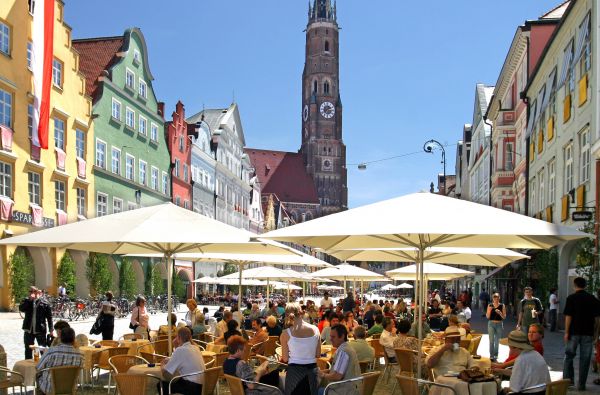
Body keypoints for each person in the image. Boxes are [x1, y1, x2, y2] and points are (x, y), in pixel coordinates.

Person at [563, 277, 600, 391]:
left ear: (575, 285)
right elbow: (597, 317)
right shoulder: (592, 299)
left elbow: (568, 316)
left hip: (573, 332)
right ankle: (581, 385)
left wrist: (566, 331)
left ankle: (568, 382)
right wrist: (596, 333)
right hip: (588, 333)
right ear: (585, 286)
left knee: (569, 357)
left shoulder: (571, 298)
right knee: (585, 359)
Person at [280, 302, 321, 395]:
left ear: (287, 315)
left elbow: (285, 358)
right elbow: (318, 354)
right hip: (312, 373)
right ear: (301, 312)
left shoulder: (285, 334)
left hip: (294, 374)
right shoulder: (315, 329)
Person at [36, 328, 83, 395]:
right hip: (70, 388)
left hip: (49, 389)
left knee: (37, 377)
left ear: (60, 338)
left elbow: (38, 367)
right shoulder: (80, 355)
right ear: (74, 339)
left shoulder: (51, 351)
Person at [501, 330, 550, 395]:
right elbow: (523, 374)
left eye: (509, 346)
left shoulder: (521, 359)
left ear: (513, 347)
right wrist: (500, 371)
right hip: (543, 392)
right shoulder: (535, 354)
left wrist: (505, 389)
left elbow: (515, 388)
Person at [160, 327, 205, 395]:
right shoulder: (196, 347)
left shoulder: (180, 350)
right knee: (178, 380)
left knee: (161, 385)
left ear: (179, 337)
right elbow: (183, 358)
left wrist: (162, 365)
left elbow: (165, 373)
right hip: (202, 386)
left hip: (192, 388)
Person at [317, 324, 361, 395]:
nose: (330, 339)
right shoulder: (347, 348)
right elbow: (337, 371)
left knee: (315, 391)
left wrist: (323, 375)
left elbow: (337, 376)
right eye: (330, 336)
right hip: (350, 388)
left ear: (342, 336)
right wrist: (322, 372)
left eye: (333, 337)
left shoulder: (344, 351)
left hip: (344, 391)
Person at [20, 286, 53, 359]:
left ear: (38, 292)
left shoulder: (45, 303)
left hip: (40, 330)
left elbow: (49, 317)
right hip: (29, 330)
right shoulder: (26, 301)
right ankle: (28, 365)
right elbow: (21, 308)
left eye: (34, 291)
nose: (32, 293)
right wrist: (29, 300)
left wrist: (51, 330)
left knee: (42, 349)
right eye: (30, 291)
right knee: (28, 349)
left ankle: (44, 365)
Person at [486, 292, 506, 362]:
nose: (496, 298)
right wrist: (490, 310)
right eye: (494, 297)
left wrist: (500, 313)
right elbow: (488, 317)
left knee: (497, 341)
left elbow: (504, 317)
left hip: (499, 324)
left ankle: (496, 355)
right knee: (491, 340)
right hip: (491, 324)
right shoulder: (490, 305)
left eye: (497, 297)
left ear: (499, 298)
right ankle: (491, 355)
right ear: (492, 298)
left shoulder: (502, 305)